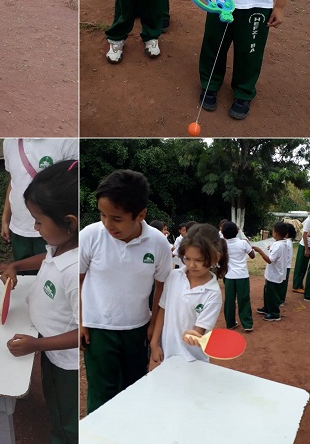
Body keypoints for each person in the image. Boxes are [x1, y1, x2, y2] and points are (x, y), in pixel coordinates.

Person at [79, 169, 172, 412]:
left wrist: (153, 324)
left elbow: (162, 285)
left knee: (134, 390)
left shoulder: (158, 243)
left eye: (117, 218)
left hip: (137, 329)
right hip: (98, 329)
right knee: (102, 393)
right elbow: (75, 280)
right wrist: (80, 320)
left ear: (140, 214)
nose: (108, 224)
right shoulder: (90, 236)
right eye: (102, 215)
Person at [1, 160, 79, 444]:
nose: (34, 228)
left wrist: (37, 346)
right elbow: (46, 257)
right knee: (53, 398)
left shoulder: (76, 272)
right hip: (49, 346)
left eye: (38, 221)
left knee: (68, 418)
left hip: (67, 363)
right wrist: (17, 265)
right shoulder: (62, 245)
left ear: (70, 222)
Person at [150, 223, 224, 366]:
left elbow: (199, 331)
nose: (191, 265)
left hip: (194, 361)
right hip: (168, 355)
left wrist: (192, 335)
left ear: (215, 258)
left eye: (199, 260)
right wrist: (154, 342)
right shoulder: (174, 276)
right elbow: (163, 309)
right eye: (187, 258)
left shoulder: (213, 294)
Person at [1, 139, 79, 268]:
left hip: (53, 227)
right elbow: (13, 182)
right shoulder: (9, 142)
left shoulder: (67, 141)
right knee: (23, 271)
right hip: (19, 228)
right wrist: (5, 219)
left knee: (54, 268)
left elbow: (73, 185)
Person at [221, 220, 255, 332]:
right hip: (242, 276)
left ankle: (230, 323)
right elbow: (252, 255)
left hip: (229, 276)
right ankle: (247, 324)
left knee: (229, 300)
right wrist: (248, 244)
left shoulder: (223, 245)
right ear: (237, 231)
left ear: (223, 234)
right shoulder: (243, 243)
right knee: (244, 299)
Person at [253, 221, 288, 321]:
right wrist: (271, 247)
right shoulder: (282, 244)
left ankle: (274, 313)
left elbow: (269, 260)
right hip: (274, 273)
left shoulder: (278, 246)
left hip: (274, 274)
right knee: (267, 292)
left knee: (272, 294)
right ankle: (267, 308)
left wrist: (260, 251)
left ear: (275, 233)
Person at [292, 213, 310, 293]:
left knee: (304, 267)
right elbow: (305, 235)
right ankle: (296, 286)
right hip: (305, 245)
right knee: (301, 266)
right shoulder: (309, 220)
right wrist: (306, 249)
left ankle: (300, 285)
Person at [280, 222, 295, 305]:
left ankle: (281, 300)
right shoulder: (287, 242)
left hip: (285, 266)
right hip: (286, 265)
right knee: (283, 283)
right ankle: (281, 299)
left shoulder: (286, 243)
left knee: (282, 283)